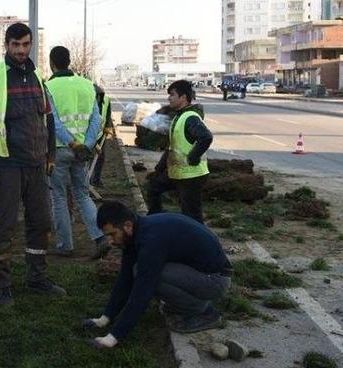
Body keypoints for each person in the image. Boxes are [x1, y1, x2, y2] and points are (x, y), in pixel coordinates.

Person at [0, 22, 63, 306]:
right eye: (15, 45)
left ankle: (37, 277)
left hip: (36, 165)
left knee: (40, 222)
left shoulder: (37, 76)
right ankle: (1, 284)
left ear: (31, 45)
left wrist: (50, 155)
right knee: (4, 226)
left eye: (25, 45)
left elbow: (47, 120)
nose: (21, 50)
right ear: (6, 45)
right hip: (7, 164)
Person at [83, 201, 231, 348]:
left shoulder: (151, 240)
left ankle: (205, 312)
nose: (110, 241)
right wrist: (105, 318)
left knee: (152, 277)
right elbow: (125, 278)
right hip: (200, 273)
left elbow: (142, 291)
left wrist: (113, 337)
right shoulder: (137, 232)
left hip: (215, 280)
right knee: (137, 271)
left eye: (112, 234)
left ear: (127, 225)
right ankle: (186, 305)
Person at [45, 46, 109, 259]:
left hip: (59, 151)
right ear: (69, 61)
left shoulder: (49, 87)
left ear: (51, 63)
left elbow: (51, 121)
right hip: (81, 152)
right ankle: (100, 237)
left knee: (59, 197)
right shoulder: (87, 85)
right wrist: (86, 145)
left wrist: (72, 144)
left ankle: (65, 245)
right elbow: (96, 119)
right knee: (82, 194)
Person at [146, 80, 213, 223]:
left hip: (191, 176)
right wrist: (160, 168)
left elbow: (206, 137)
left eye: (172, 94)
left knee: (192, 216)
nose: (169, 98)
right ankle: (155, 223)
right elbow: (173, 147)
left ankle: (199, 243)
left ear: (183, 97)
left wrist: (192, 158)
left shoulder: (190, 118)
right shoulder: (179, 116)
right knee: (153, 187)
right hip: (178, 172)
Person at [89, 83, 115, 188]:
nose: (97, 99)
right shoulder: (87, 102)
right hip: (88, 135)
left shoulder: (107, 100)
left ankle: (96, 180)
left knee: (100, 157)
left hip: (100, 134)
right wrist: (94, 144)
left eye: (98, 96)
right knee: (87, 157)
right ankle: (86, 180)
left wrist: (108, 126)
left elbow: (108, 114)